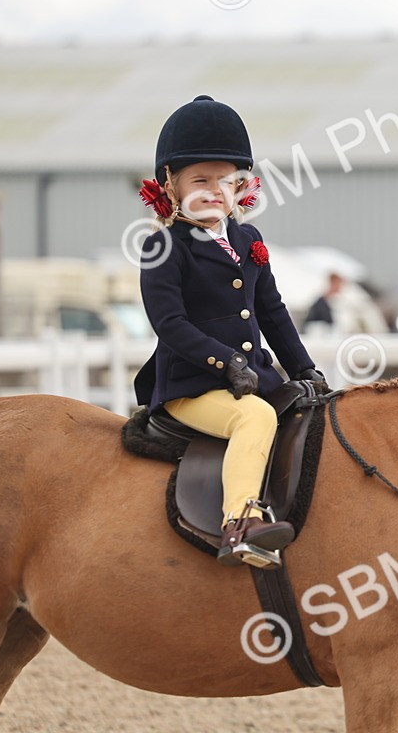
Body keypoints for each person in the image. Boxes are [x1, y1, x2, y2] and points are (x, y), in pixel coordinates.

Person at [133, 95, 323, 567]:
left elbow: (272, 312)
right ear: (171, 185)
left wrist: (305, 368)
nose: (214, 191)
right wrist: (228, 362)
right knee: (253, 419)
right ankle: (240, 523)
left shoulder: (247, 239)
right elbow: (169, 324)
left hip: (254, 377)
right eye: (200, 180)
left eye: (226, 180)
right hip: (192, 385)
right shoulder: (163, 247)